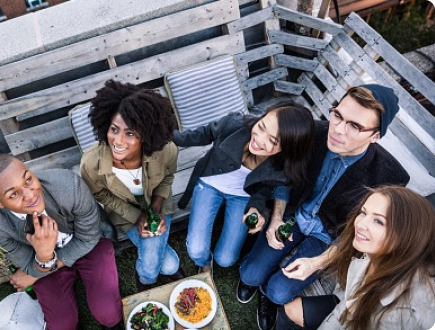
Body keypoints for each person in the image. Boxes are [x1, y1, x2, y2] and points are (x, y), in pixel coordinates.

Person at [236, 84, 411, 330]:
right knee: (249, 275)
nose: (338, 130)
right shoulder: (315, 133)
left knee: (278, 292)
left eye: (355, 126)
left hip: (328, 235)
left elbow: (358, 234)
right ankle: (257, 276)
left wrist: (317, 262)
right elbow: (287, 177)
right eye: (338, 115)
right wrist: (276, 217)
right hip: (293, 215)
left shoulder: (389, 177)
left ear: (375, 136)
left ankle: (266, 294)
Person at [0, 154, 123, 330]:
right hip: (41, 262)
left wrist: (42, 266)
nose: (29, 195)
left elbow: (89, 236)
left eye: (28, 180)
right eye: (14, 194)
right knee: (62, 326)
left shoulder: (68, 185)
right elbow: (26, 263)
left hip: (87, 244)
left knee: (108, 314)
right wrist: (43, 256)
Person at [173, 103, 315, 274]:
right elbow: (204, 134)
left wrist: (257, 208)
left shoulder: (282, 166)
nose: (259, 140)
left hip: (243, 195)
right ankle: (204, 261)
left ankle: (218, 257)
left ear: (287, 148)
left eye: (273, 141)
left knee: (226, 260)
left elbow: (265, 189)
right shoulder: (234, 124)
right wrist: (168, 135)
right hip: (210, 183)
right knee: (196, 250)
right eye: (261, 126)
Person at [277, 185, 435, 329]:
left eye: (378, 221)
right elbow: (347, 305)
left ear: (407, 237)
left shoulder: (409, 314)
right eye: (363, 212)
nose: (360, 224)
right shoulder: (371, 252)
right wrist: (314, 263)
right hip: (347, 311)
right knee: (288, 308)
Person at [80, 79, 184, 292]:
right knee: (166, 266)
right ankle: (145, 279)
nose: (118, 141)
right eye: (114, 129)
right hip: (126, 216)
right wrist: (138, 217)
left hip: (159, 206)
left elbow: (167, 178)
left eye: (130, 133)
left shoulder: (166, 150)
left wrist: (155, 210)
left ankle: (144, 276)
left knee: (162, 266)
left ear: (145, 136)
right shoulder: (91, 164)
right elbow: (100, 193)